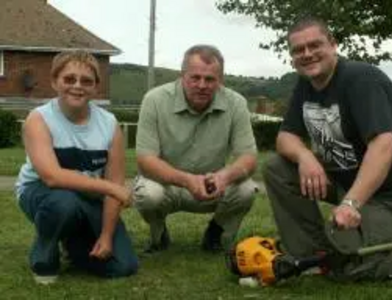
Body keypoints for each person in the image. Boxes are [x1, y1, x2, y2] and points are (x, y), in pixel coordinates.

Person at [263, 17, 392, 280]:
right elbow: (285, 138)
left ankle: (341, 258)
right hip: (347, 184)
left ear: (333, 44)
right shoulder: (306, 85)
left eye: (315, 45)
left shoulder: (360, 79)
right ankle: (310, 257)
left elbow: (384, 146)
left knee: (349, 266)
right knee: (277, 168)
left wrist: (351, 203)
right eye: (298, 50)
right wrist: (304, 156)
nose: (307, 54)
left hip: (391, 198)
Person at [15, 50, 138, 284]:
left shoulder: (109, 124)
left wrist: (106, 234)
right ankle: (44, 253)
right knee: (64, 202)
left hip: (90, 198)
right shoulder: (38, 118)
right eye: (69, 79)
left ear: (96, 87)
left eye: (86, 81)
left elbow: (115, 182)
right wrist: (109, 188)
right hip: (41, 193)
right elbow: (51, 177)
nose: (77, 86)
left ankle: (75, 246)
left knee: (123, 266)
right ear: (54, 82)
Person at [134, 44, 258, 253]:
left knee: (246, 189)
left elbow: (249, 157)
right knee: (148, 194)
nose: (202, 85)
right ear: (182, 75)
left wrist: (224, 177)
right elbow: (145, 160)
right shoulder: (154, 100)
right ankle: (159, 233)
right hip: (168, 185)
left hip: (212, 184)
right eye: (195, 77)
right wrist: (187, 180)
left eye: (210, 79)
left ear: (220, 80)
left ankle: (215, 233)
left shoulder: (236, 103)